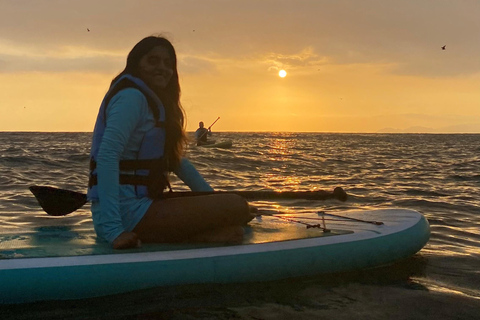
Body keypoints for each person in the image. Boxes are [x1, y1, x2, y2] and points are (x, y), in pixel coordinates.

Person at [87, 35, 252, 249]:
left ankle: (201, 235)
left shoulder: (151, 102)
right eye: (153, 60)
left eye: (168, 63)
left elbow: (177, 163)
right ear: (136, 63)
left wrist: (213, 200)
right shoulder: (131, 97)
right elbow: (107, 156)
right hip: (126, 215)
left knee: (235, 218)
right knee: (236, 205)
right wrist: (114, 231)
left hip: (142, 206)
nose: (162, 68)